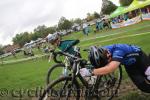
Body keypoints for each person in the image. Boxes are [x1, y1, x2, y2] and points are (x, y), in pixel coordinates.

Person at [80, 44, 150, 93]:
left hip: (141, 59)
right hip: (129, 65)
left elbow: (111, 68)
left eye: (106, 63)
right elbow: (98, 64)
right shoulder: (102, 52)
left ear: (108, 55)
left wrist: (90, 72)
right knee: (143, 87)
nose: (106, 64)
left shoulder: (118, 50)